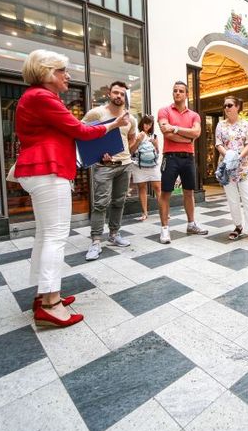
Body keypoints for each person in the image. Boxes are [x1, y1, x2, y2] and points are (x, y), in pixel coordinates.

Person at [15, 50, 129, 327]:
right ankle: (50, 304)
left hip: (41, 168)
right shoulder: (42, 97)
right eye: (62, 70)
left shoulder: (36, 98)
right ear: (46, 73)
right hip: (47, 170)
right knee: (55, 236)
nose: (68, 76)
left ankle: (44, 294)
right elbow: (79, 130)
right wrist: (114, 125)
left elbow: (66, 134)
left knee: (45, 235)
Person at [83, 81, 137, 261]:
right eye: (116, 93)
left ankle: (114, 234)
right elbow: (82, 133)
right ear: (109, 93)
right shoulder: (97, 113)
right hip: (104, 166)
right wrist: (98, 153)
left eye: (122, 94)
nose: (119, 96)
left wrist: (128, 152)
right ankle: (96, 241)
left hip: (124, 165)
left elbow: (130, 139)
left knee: (119, 202)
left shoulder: (131, 118)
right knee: (100, 203)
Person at [157, 80, 208, 244]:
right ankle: (165, 229)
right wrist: (188, 138)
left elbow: (197, 132)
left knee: (189, 192)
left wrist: (177, 129)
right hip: (170, 157)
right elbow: (166, 132)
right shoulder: (164, 111)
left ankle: (191, 224)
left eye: (180, 91)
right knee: (166, 193)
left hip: (188, 158)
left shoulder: (194, 115)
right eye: (175, 91)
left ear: (186, 94)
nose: (177, 93)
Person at [215, 96, 248, 242]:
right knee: (232, 199)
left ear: (238, 107)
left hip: (243, 166)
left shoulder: (245, 125)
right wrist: (229, 157)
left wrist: (238, 158)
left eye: (230, 105)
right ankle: (238, 226)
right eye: (225, 105)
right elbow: (218, 143)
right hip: (227, 167)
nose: (226, 108)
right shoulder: (220, 125)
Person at [130, 114, 161, 221]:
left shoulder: (154, 136)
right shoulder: (137, 135)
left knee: (157, 188)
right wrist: (138, 141)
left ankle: (163, 211)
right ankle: (144, 213)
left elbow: (157, 153)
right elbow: (131, 151)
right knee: (142, 188)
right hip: (139, 166)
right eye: (145, 123)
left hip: (153, 165)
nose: (147, 126)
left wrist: (156, 145)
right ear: (141, 123)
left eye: (149, 124)